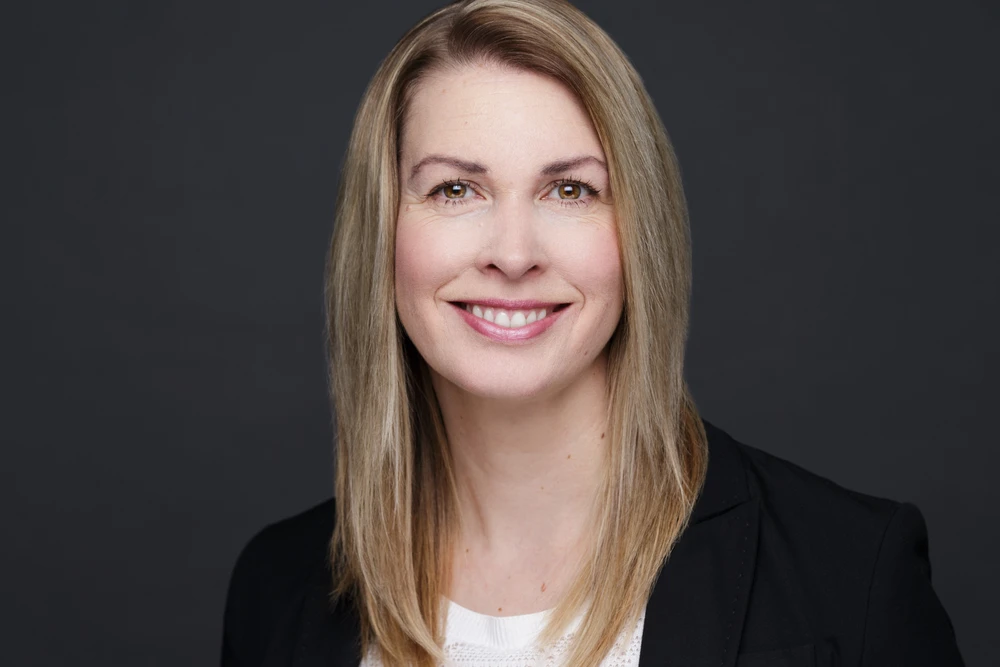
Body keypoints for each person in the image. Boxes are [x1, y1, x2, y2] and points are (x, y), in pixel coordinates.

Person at [220, 1, 964, 665]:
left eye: (570, 189)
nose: (513, 253)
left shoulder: (853, 575)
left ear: (641, 233)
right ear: (382, 235)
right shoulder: (277, 587)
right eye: (455, 189)